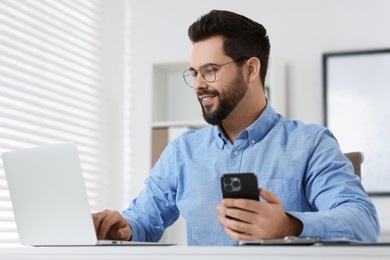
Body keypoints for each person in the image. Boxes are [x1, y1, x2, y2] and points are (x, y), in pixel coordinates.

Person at [93, 10, 380, 245]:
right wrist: (123, 227)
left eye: (210, 70)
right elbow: (143, 220)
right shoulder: (182, 152)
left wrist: (288, 224)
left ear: (251, 70)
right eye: (194, 73)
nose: (197, 86)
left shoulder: (310, 143)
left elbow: (362, 220)